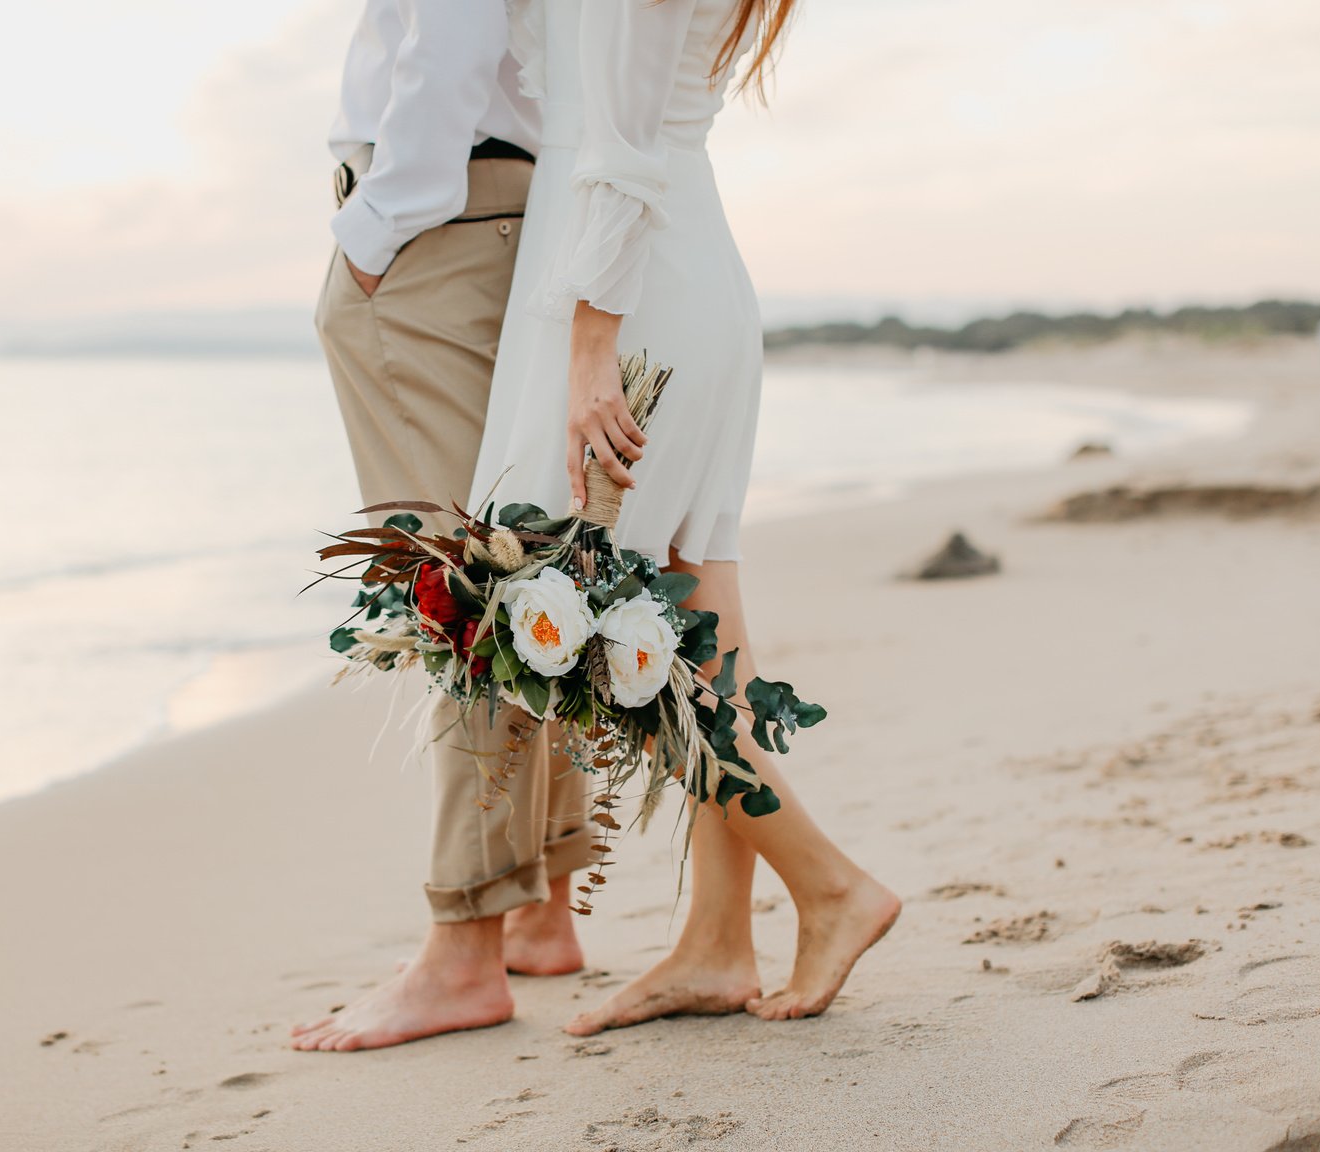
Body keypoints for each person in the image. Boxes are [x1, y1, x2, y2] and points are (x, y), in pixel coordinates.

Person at [470, 0, 901, 1034]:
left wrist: (587, 353)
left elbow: (617, 152)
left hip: (629, 294)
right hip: (657, 267)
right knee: (700, 627)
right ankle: (717, 943)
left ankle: (829, 883)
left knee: (619, 632)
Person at [293, 0, 594, 1053]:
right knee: (524, 564)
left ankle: (466, 944)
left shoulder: (408, 211)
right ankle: (541, 906)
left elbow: (449, 34)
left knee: (463, 590)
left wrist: (378, 223)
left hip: (437, 214)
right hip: (515, 200)